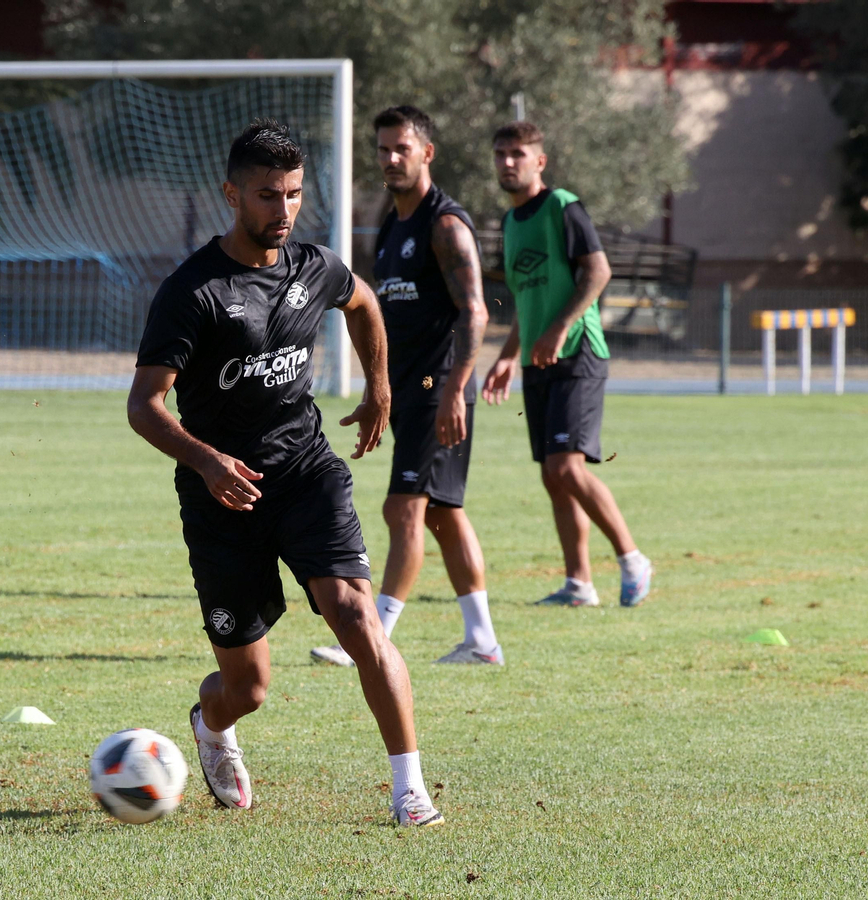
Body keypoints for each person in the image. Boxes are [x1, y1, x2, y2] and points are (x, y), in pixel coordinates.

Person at [127, 120, 442, 826]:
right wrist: (207, 461)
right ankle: (211, 726)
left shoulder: (313, 266)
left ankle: (409, 790)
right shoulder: (193, 292)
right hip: (221, 500)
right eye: (269, 196)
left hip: (305, 471)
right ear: (232, 195)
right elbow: (144, 406)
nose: (284, 211)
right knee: (249, 687)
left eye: (295, 195)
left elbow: (362, 302)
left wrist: (379, 386)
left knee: (359, 616)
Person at [312, 106, 503, 668]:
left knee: (403, 509)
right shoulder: (391, 222)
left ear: (427, 154)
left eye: (402, 148)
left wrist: (454, 390)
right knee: (444, 514)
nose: (390, 159)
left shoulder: (444, 225)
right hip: (410, 387)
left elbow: (475, 313)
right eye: (383, 149)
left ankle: (372, 637)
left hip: (439, 388)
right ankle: (482, 641)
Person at [481, 121, 653, 608]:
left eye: (518, 153)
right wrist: (508, 357)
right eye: (500, 154)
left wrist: (558, 329)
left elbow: (598, 271)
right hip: (539, 361)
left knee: (567, 468)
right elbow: (524, 297)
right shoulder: (511, 224)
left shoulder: (562, 206)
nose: (508, 162)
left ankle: (633, 560)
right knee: (552, 474)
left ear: (540, 161)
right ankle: (579, 584)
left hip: (578, 350)